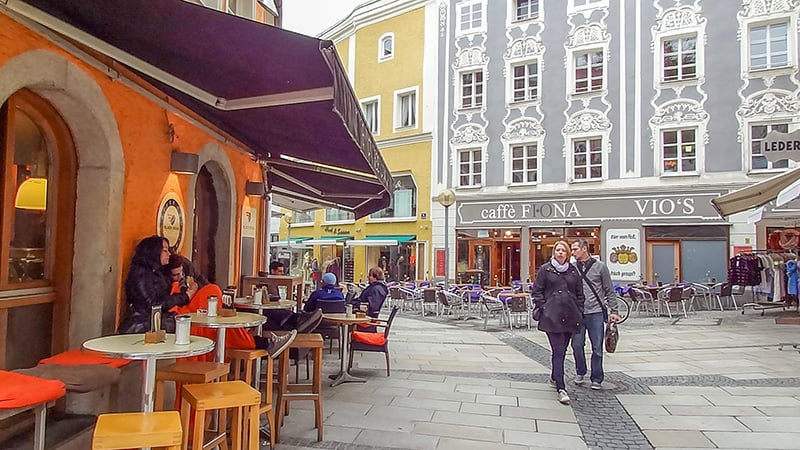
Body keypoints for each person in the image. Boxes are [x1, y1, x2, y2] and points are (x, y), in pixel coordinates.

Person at [166, 254, 297, 356]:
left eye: (181, 273)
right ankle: (269, 339)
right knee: (223, 318)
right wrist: (189, 293)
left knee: (226, 314)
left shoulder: (187, 277)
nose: (180, 277)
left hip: (199, 310)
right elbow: (173, 303)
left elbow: (201, 284)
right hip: (188, 315)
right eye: (176, 275)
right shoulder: (167, 286)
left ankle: (272, 337)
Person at [530, 240, 585, 405]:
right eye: (558, 250)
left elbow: (579, 292)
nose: (560, 252)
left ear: (567, 253)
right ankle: (561, 388)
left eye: (563, 250)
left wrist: (579, 308)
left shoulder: (573, 270)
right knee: (558, 350)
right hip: (552, 317)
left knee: (564, 348)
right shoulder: (545, 270)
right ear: (554, 252)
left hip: (570, 315)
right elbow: (537, 291)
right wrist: (544, 307)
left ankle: (555, 376)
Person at [118, 236, 194, 334]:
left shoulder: (157, 271)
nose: (169, 254)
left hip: (153, 322)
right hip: (142, 327)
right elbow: (153, 305)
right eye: (165, 251)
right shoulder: (142, 275)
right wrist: (184, 297)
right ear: (154, 252)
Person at [570, 238, 619, 390]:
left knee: (597, 347)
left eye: (575, 249)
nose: (572, 252)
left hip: (596, 312)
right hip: (578, 312)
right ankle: (580, 370)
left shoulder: (600, 267)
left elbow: (609, 289)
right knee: (577, 345)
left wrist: (614, 311)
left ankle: (596, 378)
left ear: (584, 249)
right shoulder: (572, 267)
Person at [262, 260, 324, 333]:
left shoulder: (274, 284)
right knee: (282, 313)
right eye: (280, 271)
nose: (282, 274)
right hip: (270, 312)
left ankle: (300, 319)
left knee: (285, 313)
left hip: (274, 312)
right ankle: (300, 319)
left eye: (282, 271)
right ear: (272, 271)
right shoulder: (266, 285)